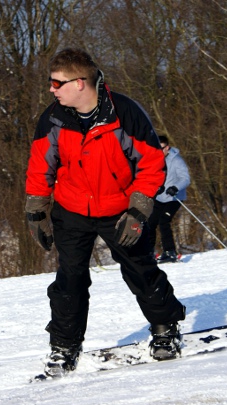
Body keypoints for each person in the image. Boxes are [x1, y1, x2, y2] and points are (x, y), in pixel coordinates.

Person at [25, 48, 186, 377]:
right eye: (50, 82)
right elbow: (41, 165)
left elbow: (152, 163)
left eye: (57, 83)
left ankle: (165, 329)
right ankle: (64, 348)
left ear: (80, 83)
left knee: (140, 270)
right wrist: (37, 207)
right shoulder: (53, 118)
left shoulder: (125, 113)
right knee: (69, 279)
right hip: (71, 209)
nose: (51, 89)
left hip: (120, 209)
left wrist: (139, 207)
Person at [148, 135, 191, 263]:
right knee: (150, 222)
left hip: (174, 198)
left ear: (167, 147)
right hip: (160, 197)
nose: (159, 151)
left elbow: (185, 178)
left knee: (164, 221)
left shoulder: (176, 160)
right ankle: (149, 252)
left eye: (161, 148)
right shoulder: (154, 159)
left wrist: (175, 188)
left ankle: (170, 251)